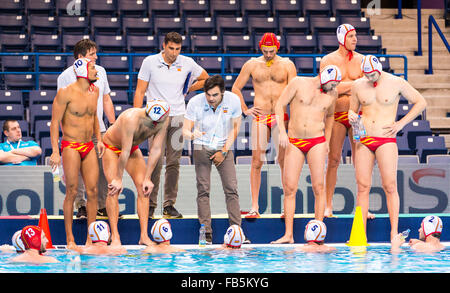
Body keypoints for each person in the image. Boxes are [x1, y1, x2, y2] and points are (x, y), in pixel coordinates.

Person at [348, 55, 427, 241]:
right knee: (362, 187)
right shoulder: (358, 85)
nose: (370, 78)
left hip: (386, 139)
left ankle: (393, 232)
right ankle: (360, 235)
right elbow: (352, 109)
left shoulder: (396, 82)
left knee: (390, 185)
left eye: (373, 74)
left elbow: (421, 102)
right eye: (366, 75)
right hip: (364, 139)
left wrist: (401, 124)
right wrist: (351, 115)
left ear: (379, 69)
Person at [133, 31, 209, 219]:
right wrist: (136, 116)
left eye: (177, 49)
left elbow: (206, 78)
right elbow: (140, 90)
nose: (174, 53)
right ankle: (150, 205)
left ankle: (168, 205)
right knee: (155, 162)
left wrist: (188, 88)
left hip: (178, 117)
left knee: (174, 162)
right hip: (155, 118)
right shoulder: (149, 62)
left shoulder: (187, 62)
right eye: (171, 48)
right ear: (164, 46)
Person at [271, 65, 341, 244]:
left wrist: (327, 139)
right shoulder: (298, 83)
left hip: (317, 141)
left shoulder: (333, 94)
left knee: (319, 187)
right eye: (330, 85)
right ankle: (288, 235)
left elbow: (331, 116)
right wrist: (282, 132)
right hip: (294, 140)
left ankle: (318, 234)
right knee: (290, 188)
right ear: (322, 78)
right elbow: (279, 104)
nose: (331, 89)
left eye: (334, 86)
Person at [231, 32, 297, 218]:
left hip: (280, 116)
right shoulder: (252, 64)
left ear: (277, 48)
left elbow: (294, 92)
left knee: (284, 162)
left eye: (272, 51)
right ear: (261, 48)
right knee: (257, 161)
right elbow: (236, 88)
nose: (268, 54)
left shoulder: (287, 65)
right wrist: (245, 109)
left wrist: (293, 119)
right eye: (266, 51)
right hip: (260, 116)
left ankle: (287, 207)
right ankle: (254, 207)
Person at [50, 58, 105, 250]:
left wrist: (99, 139)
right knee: (72, 191)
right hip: (71, 145)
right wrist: (55, 151)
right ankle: (70, 239)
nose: (96, 70)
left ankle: (90, 239)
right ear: (82, 71)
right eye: (92, 67)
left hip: (89, 145)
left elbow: (94, 117)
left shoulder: (95, 91)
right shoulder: (65, 93)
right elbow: (54, 123)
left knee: (93, 192)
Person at [57, 39, 116, 219]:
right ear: (80, 57)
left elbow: (106, 99)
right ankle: (81, 206)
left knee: (104, 170)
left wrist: (113, 125)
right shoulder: (65, 77)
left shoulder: (101, 72)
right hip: (76, 133)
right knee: (79, 172)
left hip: (100, 129)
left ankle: (102, 206)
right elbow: (61, 111)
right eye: (92, 54)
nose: (96, 57)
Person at [183, 75, 243, 245]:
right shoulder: (195, 102)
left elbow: (235, 129)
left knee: (231, 189)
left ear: (223, 92)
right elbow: (185, 130)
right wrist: (191, 134)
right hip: (201, 147)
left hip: (224, 148)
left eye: (215, 95)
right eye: (208, 94)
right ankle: (206, 234)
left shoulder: (233, 100)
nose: (211, 98)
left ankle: (237, 231)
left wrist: (223, 152)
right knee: (203, 190)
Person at [102, 99, 170, 247]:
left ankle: (144, 236)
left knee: (144, 188)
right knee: (114, 189)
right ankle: (115, 236)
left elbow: (156, 149)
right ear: (146, 111)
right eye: (151, 120)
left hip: (131, 148)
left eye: (156, 122)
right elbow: (124, 152)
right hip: (112, 147)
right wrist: (118, 179)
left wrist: (148, 178)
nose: (154, 124)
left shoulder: (164, 119)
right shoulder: (131, 118)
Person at [320, 24, 366, 218]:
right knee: (333, 160)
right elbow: (329, 88)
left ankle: (363, 206)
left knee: (361, 162)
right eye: (351, 36)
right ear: (342, 39)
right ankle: (328, 206)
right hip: (337, 116)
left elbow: (366, 86)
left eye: (356, 36)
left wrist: (344, 86)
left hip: (357, 116)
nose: (355, 39)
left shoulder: (362, 60)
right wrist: (354, 85)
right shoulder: (328, 60)